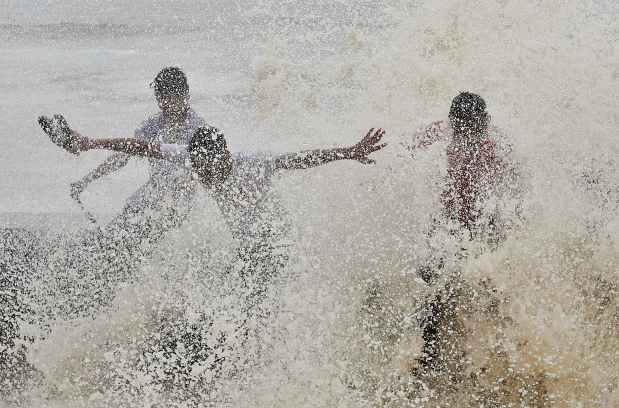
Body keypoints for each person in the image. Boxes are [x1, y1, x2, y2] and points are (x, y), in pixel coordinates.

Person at [38, 115, 386, 321]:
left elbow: (299, 159)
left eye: (210, 167)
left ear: (225, 155)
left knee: (260, 296)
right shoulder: (191, 157)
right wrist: (87, 142)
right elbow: (138, 146)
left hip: (276, 241)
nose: (204, 175)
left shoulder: (251, 162)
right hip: (246, 245)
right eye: (198, 168)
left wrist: (348, 152)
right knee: (238, 296)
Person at [405, 92, 521, 373]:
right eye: (460, 130)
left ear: (485, 124)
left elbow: (517, 186)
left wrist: (510, 223)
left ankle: (497, 359)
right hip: (445, 222)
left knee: (490, 284)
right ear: (451, 125)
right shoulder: (435, 135)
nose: (466, 136)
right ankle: (426, 354)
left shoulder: (499, 144)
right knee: (430, 286)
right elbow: (402, 156)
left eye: (473, 130)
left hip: (484, 223)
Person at [70, 67, 207, 237]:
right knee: (111, 237)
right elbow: (124, 154)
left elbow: (199, 171)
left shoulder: (200, 129)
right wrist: (86, 180)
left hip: (180, 206)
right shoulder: (154, 123)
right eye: (160, 99)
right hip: (148, 197)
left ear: (184, 96)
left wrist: (172, 195)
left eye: (169, 99)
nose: (164, 105)